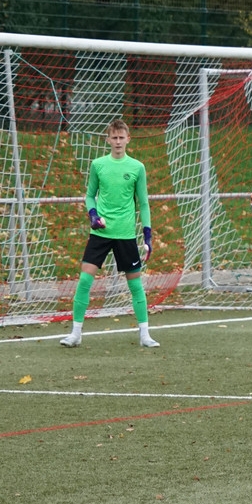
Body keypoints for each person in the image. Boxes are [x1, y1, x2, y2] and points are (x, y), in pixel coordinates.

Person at [60, 118, 159, 348]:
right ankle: (75, 333)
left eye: (121, 137)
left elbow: (143, 203)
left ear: (128, 139)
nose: (117, 141)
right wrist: (93, 215)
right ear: (107, 140)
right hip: (100, 234)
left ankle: (145, 335)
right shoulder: (98, 165)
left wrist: (147, 234)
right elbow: (89, 196)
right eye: (114, 137)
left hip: (125, 234)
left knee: (135, 285)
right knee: (84, 280)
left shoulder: (137, 167)